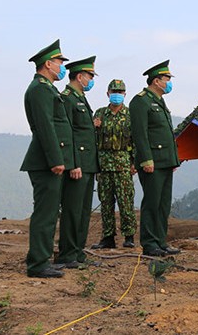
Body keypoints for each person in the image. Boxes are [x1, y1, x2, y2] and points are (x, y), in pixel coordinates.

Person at [20, 39, 72, 278]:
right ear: (48, 63)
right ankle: (38, 263)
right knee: (45, 213)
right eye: (60, 62)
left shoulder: (48, 88)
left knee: (51, 212)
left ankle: (43, 259)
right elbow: (45, 127)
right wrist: (55, 158)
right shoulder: (40, 88)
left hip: (50, 159)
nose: (62, 66)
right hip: (45, 161)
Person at [130, 60, 181, 257]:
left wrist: (173, 159)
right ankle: (149, 243)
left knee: (163, 204)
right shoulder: (140, 101)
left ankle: (161, 241)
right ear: (156, 81)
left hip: (165, 160)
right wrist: (145, 160)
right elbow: (140, 134)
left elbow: (165, 133)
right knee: (152, 202)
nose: (169, 82)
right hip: (152, 161)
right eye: (166, 79)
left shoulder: (159, 101)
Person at [55, 56, 99, 269]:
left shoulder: (80, 97)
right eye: (90, 76)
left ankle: (78, 251)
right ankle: (67, 254)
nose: (91, 80)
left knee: (83, 211)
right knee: (72, 211)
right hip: (78, 164)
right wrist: (73, 164)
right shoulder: (68, 98)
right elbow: (68, 135)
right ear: (80, 76)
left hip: (89, 163)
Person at [91, 79, 138, 249]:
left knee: (126, 202)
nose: (116, 95)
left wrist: (135, 162)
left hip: (123, 165)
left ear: (125, 94)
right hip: (103, 166)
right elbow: (91, 141)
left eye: (120, 92)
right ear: (107, 94)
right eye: (113, 92)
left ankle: (129, 236)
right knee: (106, 202)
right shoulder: (99, 114)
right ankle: (108, 237)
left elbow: (136, 140)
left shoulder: (131, 115)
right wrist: (93, 127)